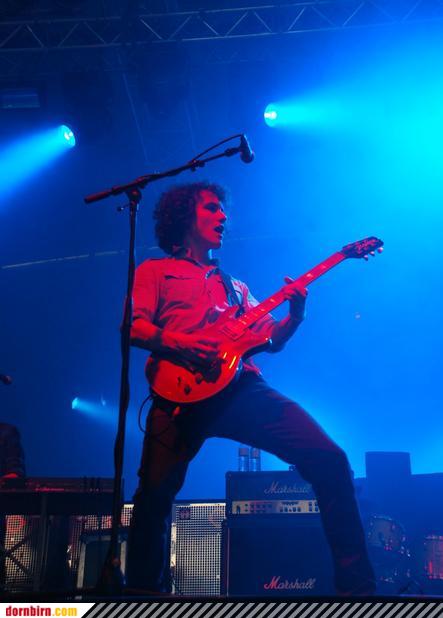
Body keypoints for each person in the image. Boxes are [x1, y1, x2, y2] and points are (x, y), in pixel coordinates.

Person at [125, 181, 375, 596]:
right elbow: (134, 328)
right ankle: (142, 597)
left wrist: (296, 314)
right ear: (184, 216)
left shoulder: (235, 287)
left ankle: (359, 592)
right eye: (211, 208)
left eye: (222, 210)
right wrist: (183, 343)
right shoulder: (155, 271)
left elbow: (271, 339)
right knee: (153, 496)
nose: (223, 216)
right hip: (176, 393)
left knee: (330, 458)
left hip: (240, 388)